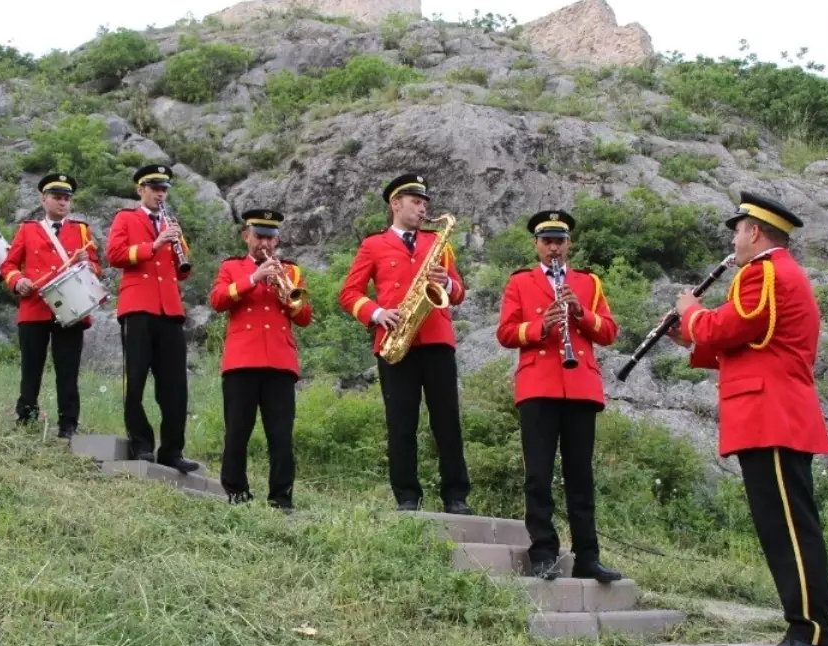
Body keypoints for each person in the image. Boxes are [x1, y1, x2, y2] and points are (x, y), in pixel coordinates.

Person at [671, 191, 828, 646]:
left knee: (790, 528)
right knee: (782, 527)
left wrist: (690, 311)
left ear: (755, 232)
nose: (734, 238)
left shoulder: (764, 272)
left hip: (774, 415)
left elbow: (734, 324)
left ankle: (813, 632)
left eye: (737, 230)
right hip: (772, 414)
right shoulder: (774, 274)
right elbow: (751, 338)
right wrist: (691, 332)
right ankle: (804, 627)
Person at [495, 210, 623, 583]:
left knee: (580, 476)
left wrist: (581, 314)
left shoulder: (588, 282)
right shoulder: (520, 282)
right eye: (547, 241)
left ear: (569, 245)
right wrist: (541, 327)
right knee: (538, 474)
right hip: (538, 386)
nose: (554, 247)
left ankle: (588, 557)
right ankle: (543, 553)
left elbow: (609, 332)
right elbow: (505, 333)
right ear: (536, 244)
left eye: (560, 241)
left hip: (581, 387)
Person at [339, 173, 472, 514]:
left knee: (447, 421)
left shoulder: (438, 242)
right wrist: (376, 312)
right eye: (416, 202)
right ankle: (407, 497)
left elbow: (458, 292)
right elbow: (349, 293)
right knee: (401, 423)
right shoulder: (373, 245)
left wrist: (448, 283)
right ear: (395, 204)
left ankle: (456, 496)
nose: (423, 208)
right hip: (396, 342)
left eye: (425, 202)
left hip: (438, 340)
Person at [208, 209, 313, 510]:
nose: (264, 243)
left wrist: (285, 293)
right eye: (258, 237)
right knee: (238, 430)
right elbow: (217, 301)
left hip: (280, 363)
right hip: (242, 361)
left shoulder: (290, 271)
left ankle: (281, 498)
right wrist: (253, 278)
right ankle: (237, 492)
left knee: (280, 434)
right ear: (246, 237)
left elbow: (304, 316)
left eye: (270, 237)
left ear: (277, 239)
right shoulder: (232, 267)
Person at [105, 164, 199, 473]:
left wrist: (177, 244)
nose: (160, 194)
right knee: (135, 381)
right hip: (138, 307)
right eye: (155, 188)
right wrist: (153, 245)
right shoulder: (126, 218)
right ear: (140, 190)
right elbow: (114, 255)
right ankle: (141, 443)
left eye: (164, 190)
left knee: (175, 386)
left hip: (169, 310)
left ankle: (172, 450)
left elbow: (182, 270)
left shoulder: (172, 223)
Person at [0, 173, 101, 439]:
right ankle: (27, 416)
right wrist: (17, 280)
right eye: (57, 197)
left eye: (67, 199)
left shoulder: (81, 231)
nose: (62, 203)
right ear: (43, 199)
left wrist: (87, 265)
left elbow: (95, 268)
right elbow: (8, 265)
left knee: (67, 370)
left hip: (71, 309)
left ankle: (68, 425)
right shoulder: (28, 230)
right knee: (31, 367)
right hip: (34, 307)